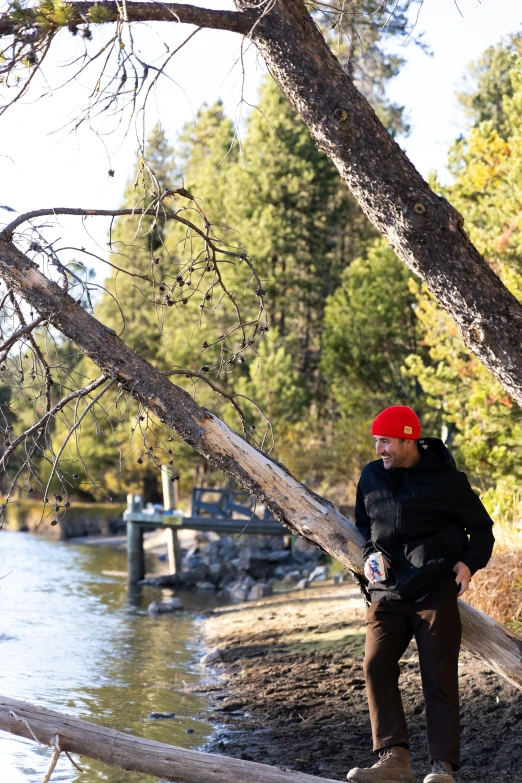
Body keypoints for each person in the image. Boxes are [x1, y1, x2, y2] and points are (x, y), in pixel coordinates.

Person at [347, 405, 494, 783]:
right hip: (386, 593)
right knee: (376, 665)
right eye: (376, 441)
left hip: (433, 591)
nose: (379, 449)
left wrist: (468, 564)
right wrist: (369, 556)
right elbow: (364, 526)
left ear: (409, 439)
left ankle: (441, 767)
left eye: (386, 441)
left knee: (438, 678)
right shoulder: (371, 477)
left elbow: (481, 530)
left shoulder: (447, 481)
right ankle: (393, 758)